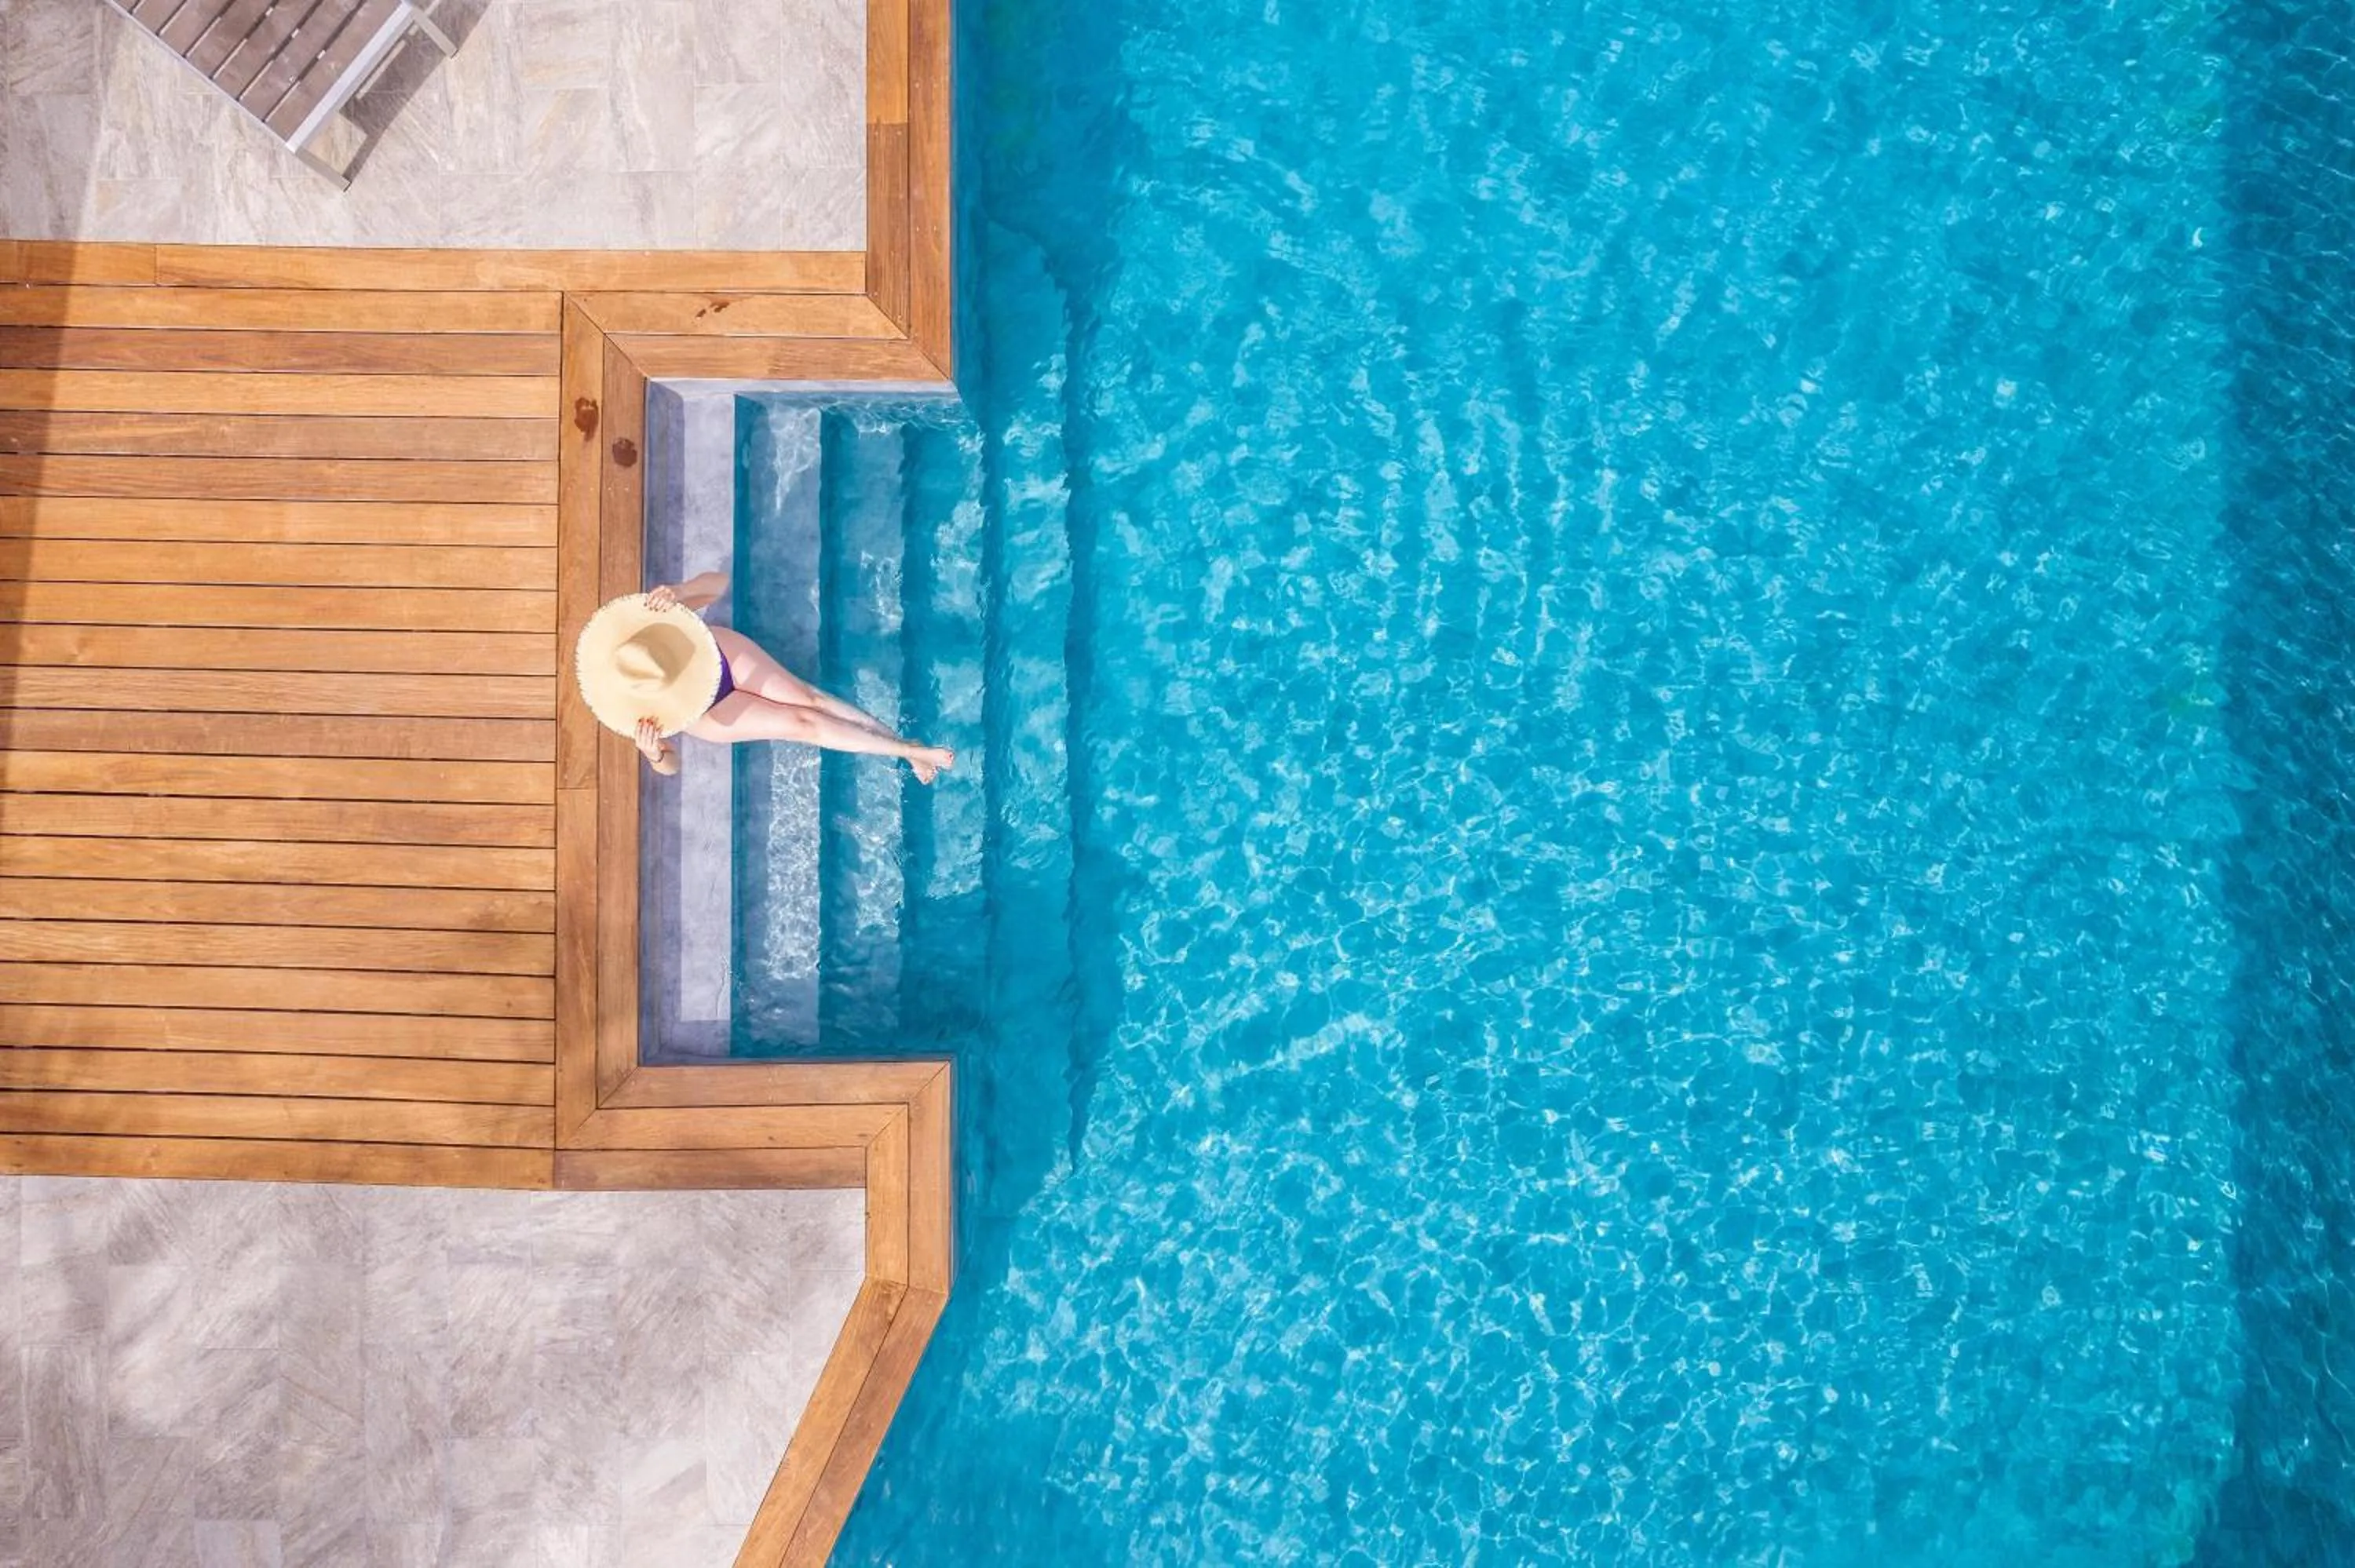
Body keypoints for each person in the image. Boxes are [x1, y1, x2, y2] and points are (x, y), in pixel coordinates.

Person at [574, 571, 955, 782]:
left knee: (811, 699)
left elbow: (720, 582)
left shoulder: (645, 628)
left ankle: (909, 747)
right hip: (711, 714)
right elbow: (671, 768)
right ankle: (910, 751)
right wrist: (654, 754)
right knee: (803, 723)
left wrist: (680, 591)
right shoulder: (630, 697)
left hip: (718, 654)